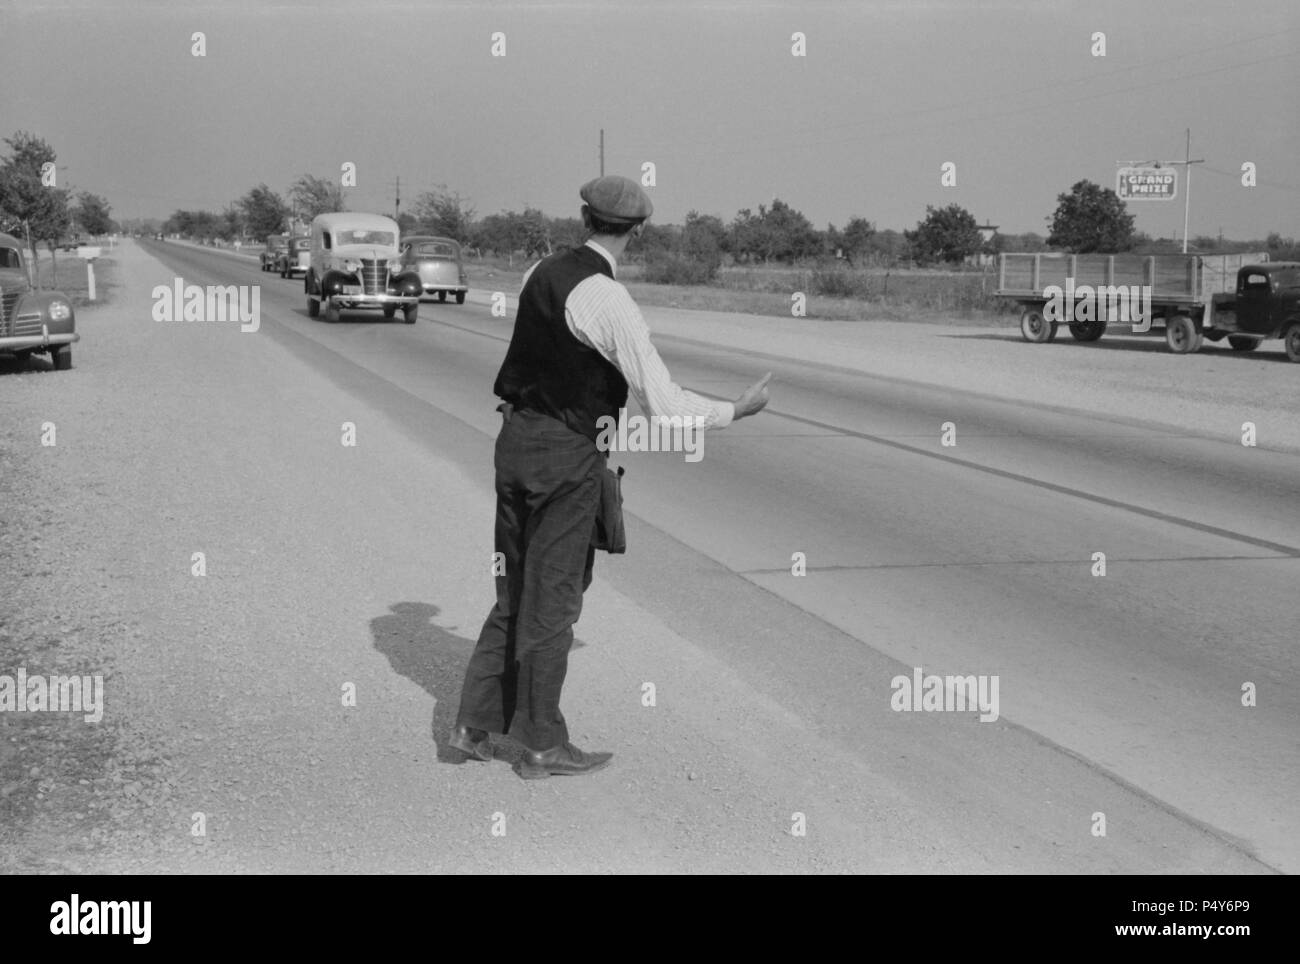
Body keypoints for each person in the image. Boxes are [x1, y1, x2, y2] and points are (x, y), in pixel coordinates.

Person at [450, 175, 772, 779]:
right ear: (639, 231)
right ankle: (542, 745)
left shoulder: (539, 272)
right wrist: (737, 409)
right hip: (566, 455)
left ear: (583, 216)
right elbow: (666, 403)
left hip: (514, 440)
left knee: (514, 592)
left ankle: (474, 725)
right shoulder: (608, 299)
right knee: (556, 602)